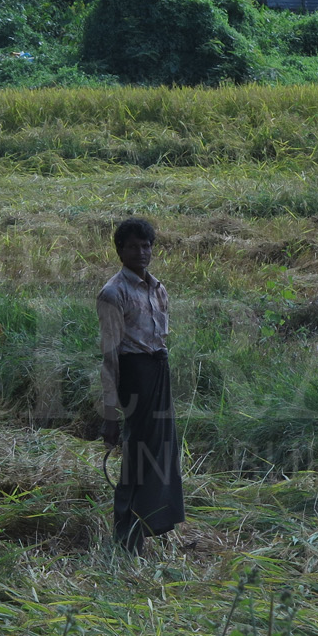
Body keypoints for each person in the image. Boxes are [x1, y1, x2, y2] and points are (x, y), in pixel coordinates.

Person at [98, 218, 185, 553]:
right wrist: (110, 413)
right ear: (119, 251)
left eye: (146, 245)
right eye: (132, 246)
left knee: (161, 456)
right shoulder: (113, 294)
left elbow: (159, 339)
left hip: (158, 373)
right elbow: (110, 358)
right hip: (134, 376)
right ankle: (125, 539)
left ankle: (148, 528)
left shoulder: (158, 289)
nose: (141, 252)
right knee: (137, 458)